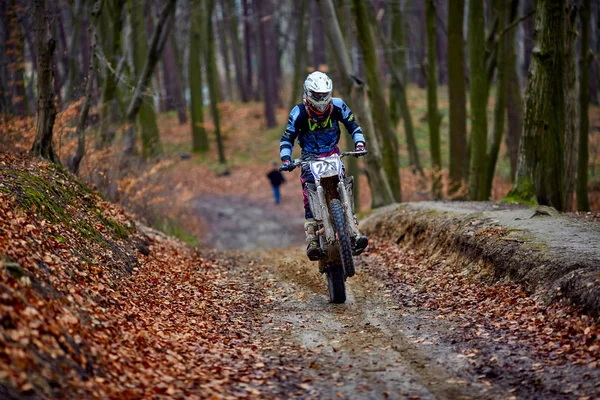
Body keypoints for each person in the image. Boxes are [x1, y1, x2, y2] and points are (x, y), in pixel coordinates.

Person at [279, 71, 368, 260]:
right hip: (310, 156)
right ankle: (312, 236)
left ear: (329, 92)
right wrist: (286, 159)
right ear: (308, 93)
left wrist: (360, 144)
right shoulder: (299, 112)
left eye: (323, 95)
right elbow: (287, 139)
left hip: (332, 153)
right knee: (309, 189)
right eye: (317, 95)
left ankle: (353, 229)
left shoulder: (338, 106)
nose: (321, 99)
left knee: (344, 183)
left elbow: (354, 127)